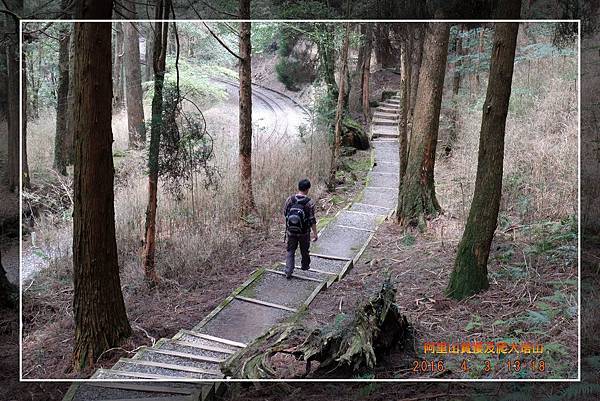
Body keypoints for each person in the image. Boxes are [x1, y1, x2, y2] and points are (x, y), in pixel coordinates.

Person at [283, 178, 318, 279]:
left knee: (290, 250)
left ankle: (288, 271)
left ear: (298, 187)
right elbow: (312, 219)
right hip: (304, 232)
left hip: (291, 231)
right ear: (307, 189)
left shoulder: (290, 199)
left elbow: (285, 213)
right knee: (304, 250)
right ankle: (305, 266)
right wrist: (315, 233)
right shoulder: (309, 202)